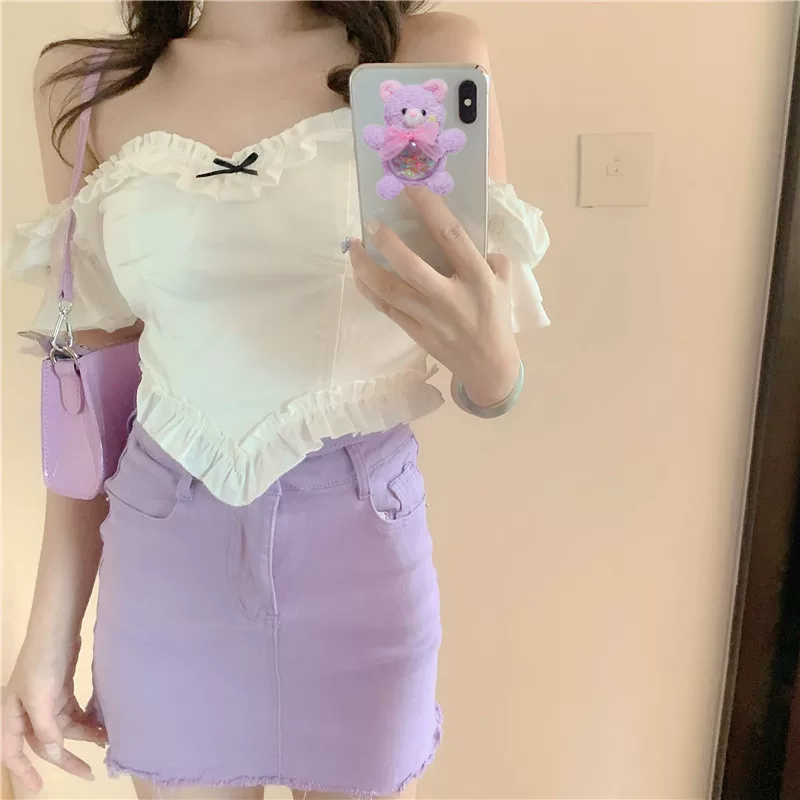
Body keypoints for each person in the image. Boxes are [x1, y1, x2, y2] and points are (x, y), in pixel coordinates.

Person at [1, 2, 550, 798]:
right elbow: (92, 388)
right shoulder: (85, 88)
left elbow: (465, 323)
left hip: (358, 553)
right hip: (166, 559)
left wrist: (495, 372)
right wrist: (49, 635)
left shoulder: (417, 55)